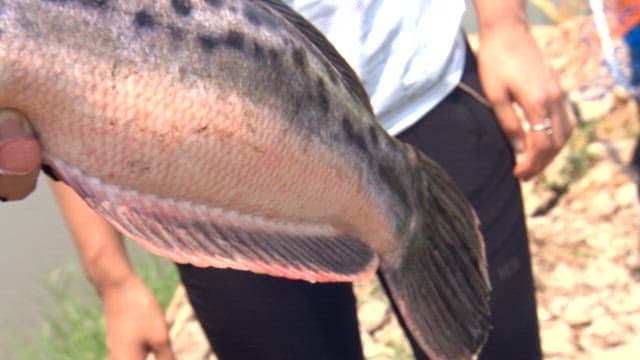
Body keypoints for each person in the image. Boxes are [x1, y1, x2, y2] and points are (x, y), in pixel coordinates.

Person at [7, 0, 574, 359]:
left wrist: (505, 24)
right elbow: (49, 83)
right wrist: (115, 282)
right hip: (208, 172)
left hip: (425, 80)